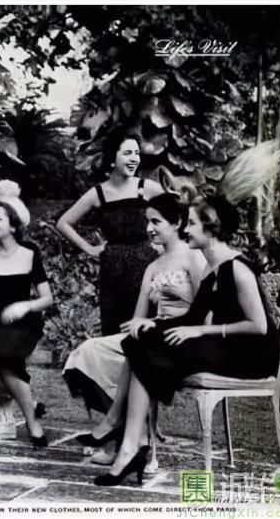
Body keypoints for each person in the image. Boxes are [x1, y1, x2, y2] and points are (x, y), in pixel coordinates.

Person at [92, 147, 280, 486]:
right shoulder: (211, 267)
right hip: (224, 345)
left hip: (250, 355)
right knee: (141, 341)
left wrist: (200, 332)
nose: (186, 230)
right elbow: (192, 317)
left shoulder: (237, 268)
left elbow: (259, 326)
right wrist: (151, 323)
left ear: (211, 229)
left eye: (191, 224)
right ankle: (131, 447)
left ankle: (125, 437)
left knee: (147, 349)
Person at [64, 193, 206, 468]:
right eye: (147, 221)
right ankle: (126, 433)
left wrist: (162, 320)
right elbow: (138, 318)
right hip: (150, 334)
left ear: (177, 223)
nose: (148, 228)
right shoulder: (153, 266)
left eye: (156, 222)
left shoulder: (193, 257)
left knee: (135, 354)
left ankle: (126, 437)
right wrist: (138, 323)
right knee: (87, 353)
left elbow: (205, 310)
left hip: (181, 338)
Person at [0, 181, 54, 447]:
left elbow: (47, 299)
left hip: (21, 324)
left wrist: (24, 306)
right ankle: (31, 406)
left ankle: (32, 422)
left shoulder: (30, 253)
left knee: (4, 358)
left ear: (14, 225)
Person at [56, 131, 163, 336]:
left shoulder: (148, 188)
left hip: (148, 267)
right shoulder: (97, 193)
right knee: (115, 330)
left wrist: (162, 246)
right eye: (127, 153)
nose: (134, 159)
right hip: (113, 272)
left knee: (147, 331)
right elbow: (63, 223)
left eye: (136, 153)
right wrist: (89, 248)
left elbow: (176, 216)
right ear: (112, 158)